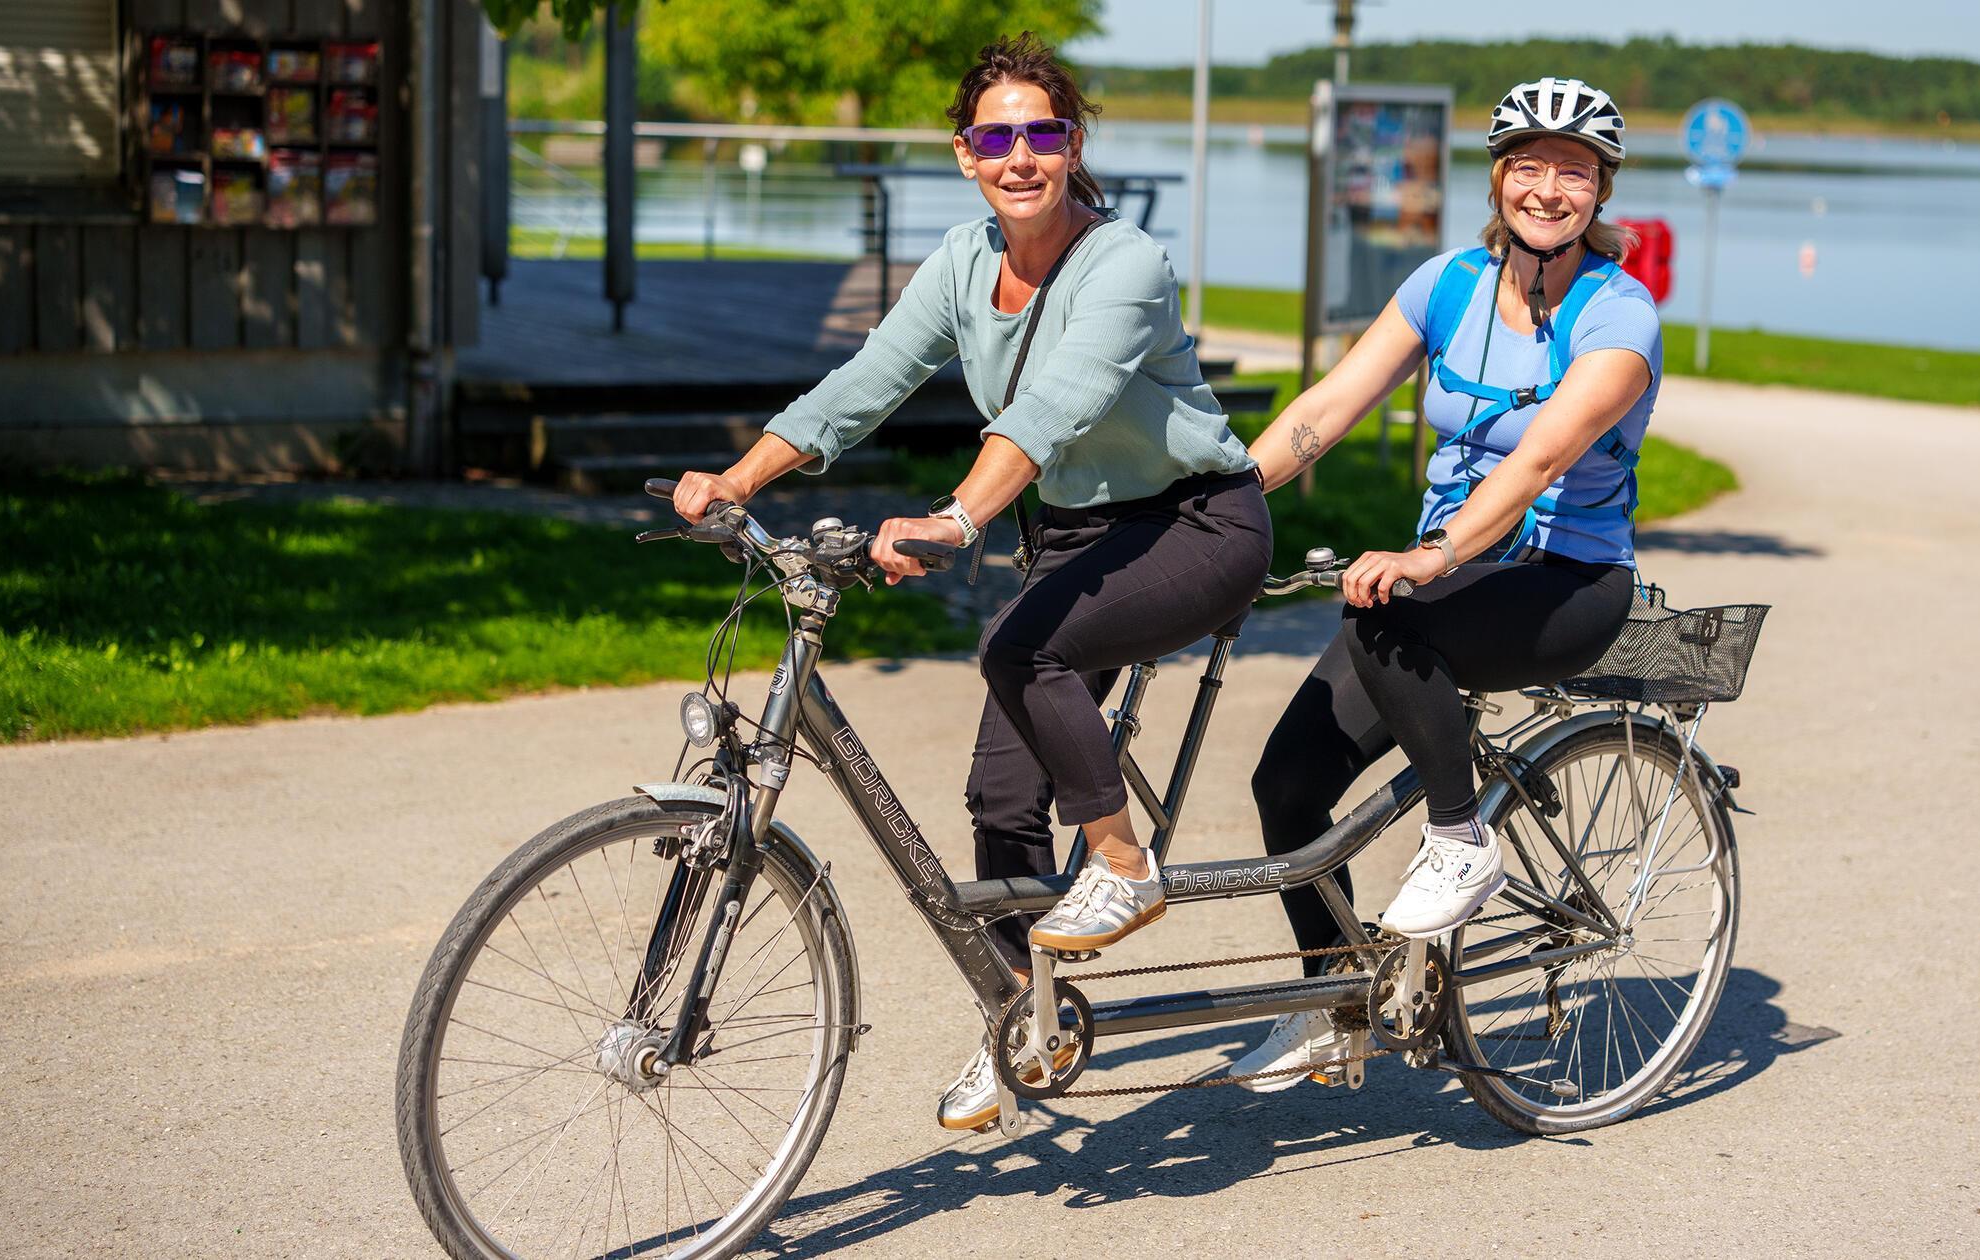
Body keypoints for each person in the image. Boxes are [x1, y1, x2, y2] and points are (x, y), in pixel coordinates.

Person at [666, 34, 1271, 1129]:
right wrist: (738, 479)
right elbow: (865, 382)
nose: (1019, 157)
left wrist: (956, 517)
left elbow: (1054, 407)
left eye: (1042, 133)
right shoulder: (961, 262)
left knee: (1019, 650)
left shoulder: (1125, 263)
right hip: (1074, 535)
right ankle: (1021, 1018)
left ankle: (1122, 863)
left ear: (1072, 144)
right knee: (999, 797)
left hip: (1195, 523)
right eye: (995, 139)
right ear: (964, 153)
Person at [1230, 77, 1659, 1089]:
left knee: (1391, 614)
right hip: (1449, 584)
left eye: (1573, 171)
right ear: (1497, 177)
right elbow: (1331, 404)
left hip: (1566, 581)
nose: (1547, 188)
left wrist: (1433, 554)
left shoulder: (1619, 314)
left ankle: (1459, 840)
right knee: (1286, 786)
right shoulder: (1448, 285)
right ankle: (1334, 1002)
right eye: (1528, 165)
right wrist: (1226, 495)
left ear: (1600, 190)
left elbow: (1539, 461)